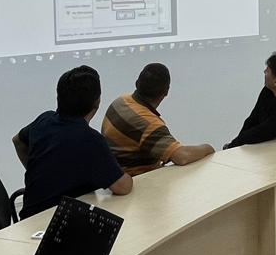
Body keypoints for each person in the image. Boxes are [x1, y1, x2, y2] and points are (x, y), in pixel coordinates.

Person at [13, 65, 131, 218]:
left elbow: (17, 141)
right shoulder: (90, 140)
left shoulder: (44, 120)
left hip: (29, 218)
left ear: (59, 97)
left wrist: (37, 171)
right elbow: (122, 187)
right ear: (97, 102)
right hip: (58, 220)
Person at [100, 62, 214, 174]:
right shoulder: (149, 124)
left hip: (115, 175)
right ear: (166, 91)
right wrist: (207, 149)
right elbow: (182, 157)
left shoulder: (120, 102)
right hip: (138, 180)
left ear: (137, 83)